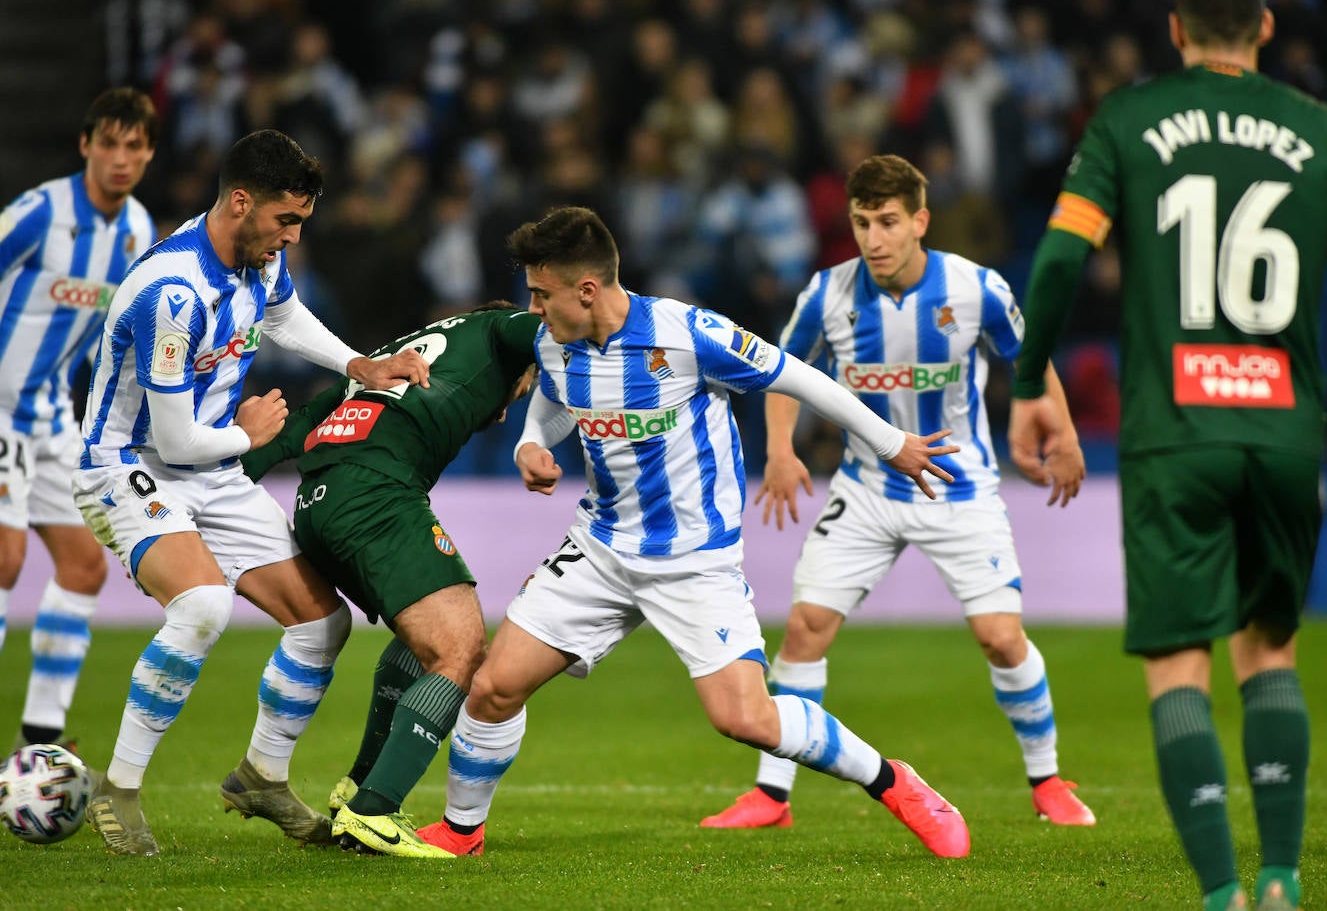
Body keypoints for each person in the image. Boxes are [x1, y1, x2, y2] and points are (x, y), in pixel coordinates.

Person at [413, 205, 972, 860]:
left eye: (542, 293)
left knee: (745, 718)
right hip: (600, 549)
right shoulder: (553, 342)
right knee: (493, 688)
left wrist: (889, 441)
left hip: (693, 561)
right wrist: (531, 445)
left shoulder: (687, 335)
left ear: (586, 289)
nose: (533, 308)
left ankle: (897, 783)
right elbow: (554, 399)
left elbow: (799, 376)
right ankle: (461, 831)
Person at [1007, 0, 1327, 909]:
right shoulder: (1324, 129)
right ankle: (1283, 877)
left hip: (1177, 432)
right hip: (1285, 430)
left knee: (1181, 666)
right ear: (1264, 23)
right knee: (1271, 655)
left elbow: (1056, 265)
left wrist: (1026, 387)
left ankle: (1221, 893)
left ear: (1174, 29)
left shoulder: (1129, 121)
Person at [699, 153, 1096, 832]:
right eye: (861, 223)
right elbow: (780, 371)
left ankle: (1048, 779)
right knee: (804, 630)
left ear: (920, 221)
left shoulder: (976, 289)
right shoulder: (828, 293)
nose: (873, 239)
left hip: (959, 489)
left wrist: (1063, 435)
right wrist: (782, 449)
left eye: (887, 222)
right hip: (867, 489)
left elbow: (1030, 365)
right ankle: (772, 796)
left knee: (1001, 639)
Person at [73, 129, 430, 856]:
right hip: (128, 465)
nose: (292, 237)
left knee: (321, 624)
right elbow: (174, 443)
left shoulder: (255, 258)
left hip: (214, 465)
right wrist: (254, 433)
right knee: (202, 604)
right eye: (285, 221)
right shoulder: (172, 292)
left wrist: (360, 363)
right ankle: (121, 787)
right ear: (241, 202)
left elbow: (284, 314)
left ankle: (262, 776)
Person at [239, 301, 539, 857]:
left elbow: (308, 421)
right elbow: (567, 322)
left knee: (421, 644)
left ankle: (358, 790)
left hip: (317, 502)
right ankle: (373, 813)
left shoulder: (388, 358)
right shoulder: (502, 330)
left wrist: (227, 475)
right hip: (375, 496)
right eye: (519, 392)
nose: (503, 412)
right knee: (461, 649)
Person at [0, 88, 158, 753]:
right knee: (5, 562)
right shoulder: (39, 213)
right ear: (86, 145)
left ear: (148, 155)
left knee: (84, 568)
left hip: (49, 417)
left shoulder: (138, 232)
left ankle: (39, 743)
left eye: (134, 147)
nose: (120, 159)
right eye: (109, 144)